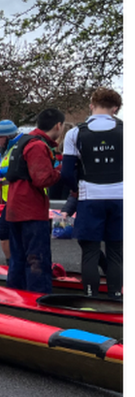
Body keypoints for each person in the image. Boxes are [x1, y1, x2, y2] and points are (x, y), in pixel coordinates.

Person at [61, 88, 125, 298]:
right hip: (121, 198)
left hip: (90, 198)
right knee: (116, 253)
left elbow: (67, 172)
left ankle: (91, 297)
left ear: (91, 104)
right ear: (115, 108)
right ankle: (115, 297)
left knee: (90, 252)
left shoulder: (75, 132)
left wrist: (76, 189)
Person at [4, 108, 65, 293]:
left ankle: (16, 296)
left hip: (15, 207)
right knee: (37, 258)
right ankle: (39, 297)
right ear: (58, 125)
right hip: (30, 209)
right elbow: (42, 179)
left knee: (18, 258)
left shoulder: (23, 141)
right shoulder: (38, 146)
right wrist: (62, 170)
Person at [0, 120, 24, 262]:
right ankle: (13, 262)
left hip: (19, 197)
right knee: (9, 231)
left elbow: (17, 167)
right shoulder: (5, 150)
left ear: (7, 137)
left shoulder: (18, 148)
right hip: (10, 197)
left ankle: (13, 263)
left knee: (4, 230)